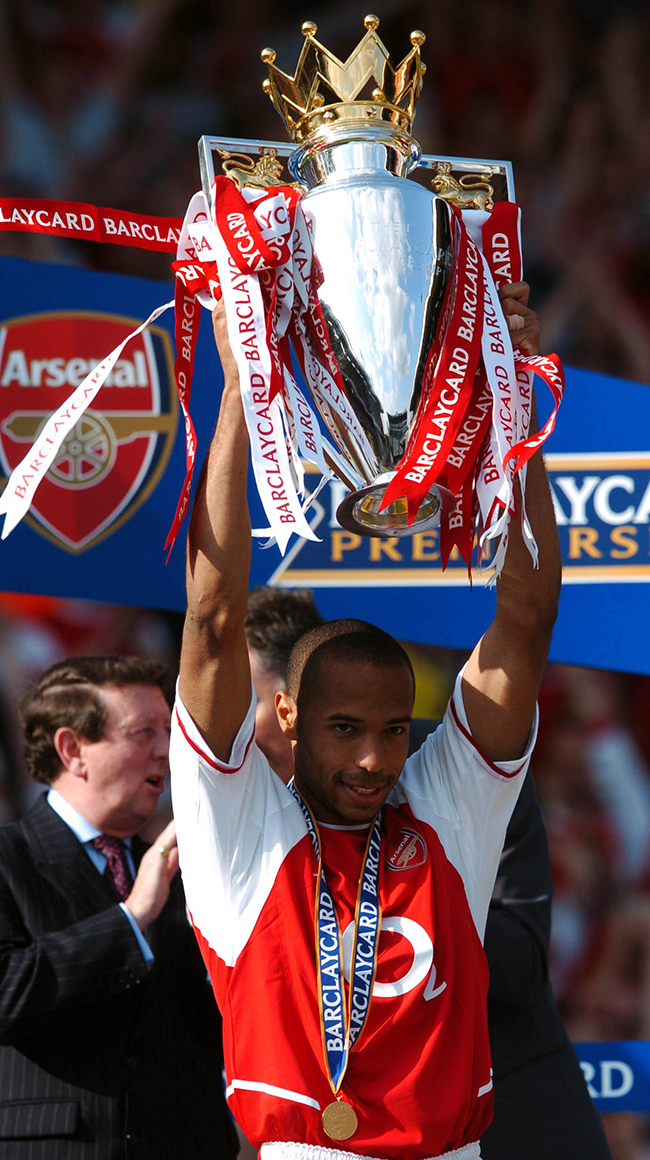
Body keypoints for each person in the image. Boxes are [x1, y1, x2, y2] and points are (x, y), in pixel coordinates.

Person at [171, 286, 561, 1160]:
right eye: (344, 728)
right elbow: (213, 616)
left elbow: (527, 617)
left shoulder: (446, 810)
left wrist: (508, 396)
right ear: (286, 714)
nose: (377, 759)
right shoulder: (238, 823)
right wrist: (239, 390)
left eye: (394, 730)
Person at [0, 654, 239, 1160]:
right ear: (73, 750)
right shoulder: (9, 858)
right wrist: (130, 919)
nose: (166, 749)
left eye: (167, 730)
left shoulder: (186, 866)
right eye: (142, 732)